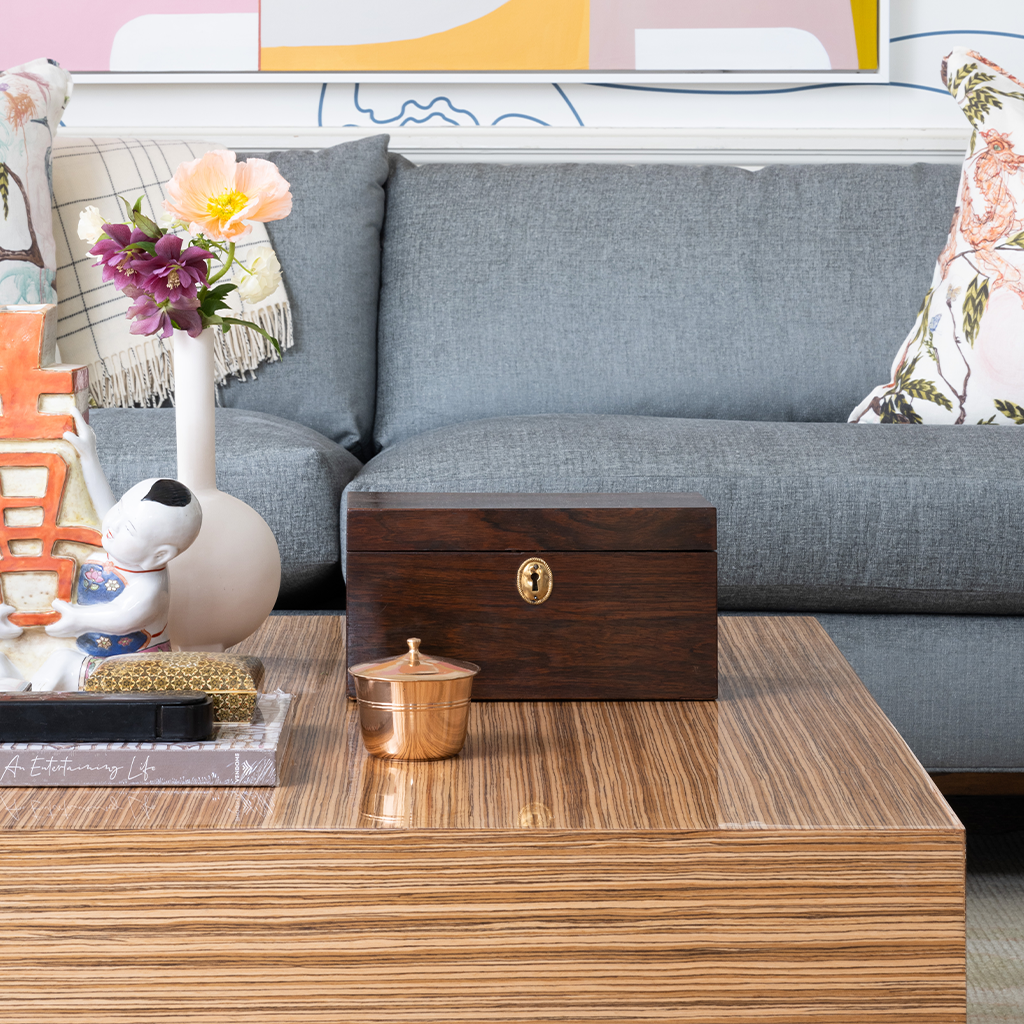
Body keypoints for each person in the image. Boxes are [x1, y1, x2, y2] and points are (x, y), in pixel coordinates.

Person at [0, 409, 202, 690]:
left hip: (130, 666)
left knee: (60, 663)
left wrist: (77, 618)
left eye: (128, 528)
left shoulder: (149, 590)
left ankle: (28, 704)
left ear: (160, 555)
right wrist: (89, 454)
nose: (113, 524)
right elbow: (104, 505)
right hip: (92, 652)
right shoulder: (121, 540)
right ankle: (16, 689)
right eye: (120, 508)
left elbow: (119, 617)